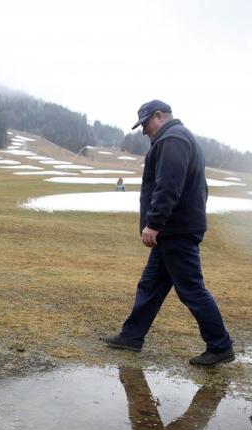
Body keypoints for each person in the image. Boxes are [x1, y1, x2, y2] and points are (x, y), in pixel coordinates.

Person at [100, 99, 234, 366]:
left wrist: (154, 223)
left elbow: (168, 186)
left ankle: (220, 345)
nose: (144, 131)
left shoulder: (173, 139)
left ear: (159, 116)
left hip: (175, 231)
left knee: (191, 289)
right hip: (174, 230)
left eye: (146, 123)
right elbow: (198, 189)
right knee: (150, 286)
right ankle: (131, 336)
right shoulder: (179, 138)